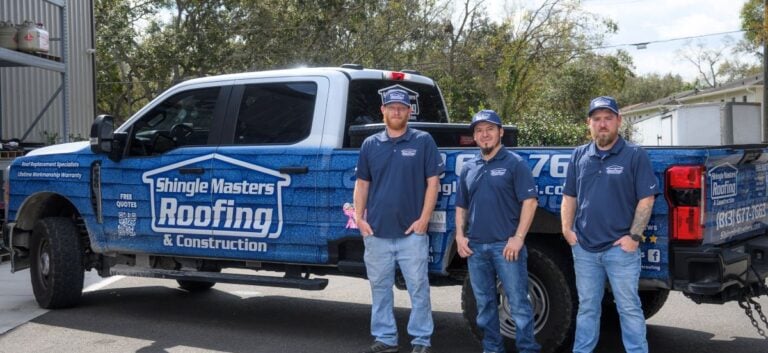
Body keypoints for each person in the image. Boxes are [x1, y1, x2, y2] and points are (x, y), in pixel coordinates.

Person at [561, 96, 659, 353]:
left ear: (618, 121)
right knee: (587, 308)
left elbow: (646, 199)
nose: (602, 124)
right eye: (597, 119)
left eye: (608, 118)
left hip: (620, 250)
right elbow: (569, 196)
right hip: (584, 249)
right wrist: (567, 230)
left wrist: (633, 237)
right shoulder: (579, 155)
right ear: (589, 123)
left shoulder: (634, 155)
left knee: (628, 308)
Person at [354, 88, 444, 353]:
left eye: (402, 108)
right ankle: (385, 338)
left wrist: (424, 220)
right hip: (376, 233)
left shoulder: (423, 141)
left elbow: (433, 183)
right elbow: (362, 184)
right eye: (392, 107)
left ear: (409, 111)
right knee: (380, 288)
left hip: (411, 234)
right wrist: (359, 219)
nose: (396, 111)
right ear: (383, 110)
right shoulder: (370, 144)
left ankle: (421, 340)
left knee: (418, 288)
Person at [455, 110, 541, 353]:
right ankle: (492, 348)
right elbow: (461, 206)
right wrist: (460, 236)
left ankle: (528, 349)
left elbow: (530, 202)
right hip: (475, 248)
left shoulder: (515, 164)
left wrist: (518, 238)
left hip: (506, 247)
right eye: (479, 131)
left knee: (519, 304)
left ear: (500, 132)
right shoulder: (469, 168)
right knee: (484, 305)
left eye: (490, 129)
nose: (485, 135)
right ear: (474, 136)